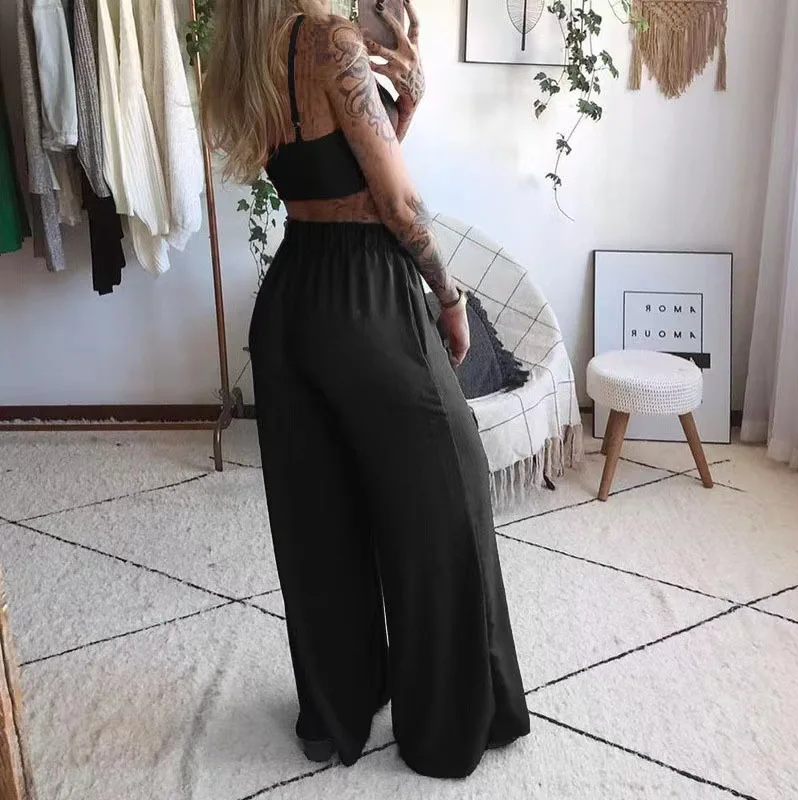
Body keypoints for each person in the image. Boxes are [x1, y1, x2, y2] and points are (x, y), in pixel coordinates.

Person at [201, 0, 530, 780]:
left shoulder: (249, 48)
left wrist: (404, 107)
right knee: (450, 496)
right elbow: (397, 204)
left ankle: (336, 708)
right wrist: (449, 298)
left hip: (293, 299)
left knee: (322, 517)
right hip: (367, 298)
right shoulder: (329, 40)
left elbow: (339, 178)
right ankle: (448, 725)